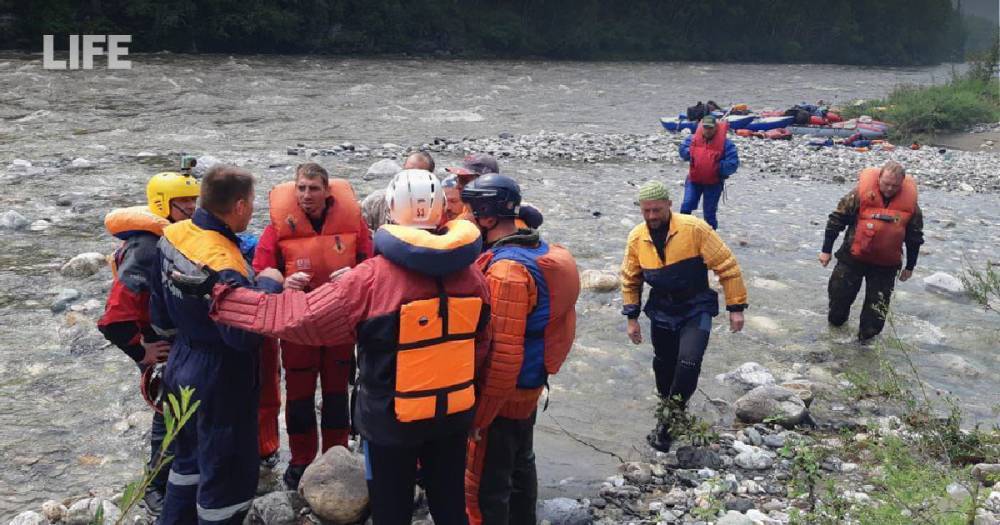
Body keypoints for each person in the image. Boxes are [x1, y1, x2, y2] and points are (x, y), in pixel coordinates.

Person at [172, 169, 491, 525]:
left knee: (391, 510)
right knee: (451, 506)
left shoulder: (372, 278)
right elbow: (482, 347)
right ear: (442, 212)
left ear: (390, 210)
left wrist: (220, 295)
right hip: (452, 414)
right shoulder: (475, 276)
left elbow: (298, 318)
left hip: (392, 422)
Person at [152, 165, 284, 525]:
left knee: (187, 465)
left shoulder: (172, 235)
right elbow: (242, 337)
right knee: (225, 481)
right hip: (222, 378)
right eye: (252, 203)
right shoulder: (225, 260)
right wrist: (270, 285)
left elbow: (159, 314)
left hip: (182, 363)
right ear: (239, 205)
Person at [460, 174, 580, 525]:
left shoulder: (507, 272)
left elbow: (502, 355)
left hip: (505, 394)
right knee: (521, 463)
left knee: (487, 485)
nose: (467, 220)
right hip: (530, 384)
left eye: (471, 213)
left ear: (487, 216)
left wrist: (479, 417)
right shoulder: (537, 249)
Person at [251, 162, 373, 489]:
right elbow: (262, 270)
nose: (306, 195)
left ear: (327, 191)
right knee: (300, 396)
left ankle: (335, 454)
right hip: (298, 326)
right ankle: (301, 459)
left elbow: (373, 267)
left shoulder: (355, 224)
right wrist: (283, 281)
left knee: (335, 394)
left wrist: (355, 276)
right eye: (301, 188)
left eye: (313, 188)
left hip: (339, 324)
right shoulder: (276, 227)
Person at [96, 166, 199, 515]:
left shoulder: (175, 236)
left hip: (179, 342)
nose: (192, 207)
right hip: (161, 346)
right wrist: (141, 351)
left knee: (182, 414)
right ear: (162, 204)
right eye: (184, 201)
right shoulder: (145, 248)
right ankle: (155, 488)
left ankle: (179, 477)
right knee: (167, 417)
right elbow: (113, 319)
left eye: (194, 199)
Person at [621, 181, 747, 452]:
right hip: (662, 309)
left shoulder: (695, 229)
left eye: (657, 210)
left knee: (689, 362)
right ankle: (669, 410)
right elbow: (631, 280)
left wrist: (735, 307)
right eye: (646, 211)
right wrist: (631, 318)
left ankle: (669, 421)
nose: (652, 216)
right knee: (663, 365)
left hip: (696, 306)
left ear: (669, 205)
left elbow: (727, 265)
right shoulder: (637, 238)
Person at [820, 161, 923, 342]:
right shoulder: (859, 194)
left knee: (873, 321)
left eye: (895, 186)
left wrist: (910, 266)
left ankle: (864, 354)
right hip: (852, 258)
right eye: (886, 183)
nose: (890, 188)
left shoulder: (911, 205)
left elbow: (914, 237)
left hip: (886, 266)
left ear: (902, 183)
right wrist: (826, 250)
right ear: (879, 178)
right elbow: (836, 220)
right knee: (837, 310)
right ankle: (833, 345)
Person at [678, 114, 739, 229]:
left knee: (709, 214)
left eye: (710, 127)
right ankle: (682, 233)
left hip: (714, 183)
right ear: (702, 127)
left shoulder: (726, 144)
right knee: (686, 207)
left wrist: (716, 166)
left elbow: (733, 164)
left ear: (716, 128)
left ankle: (711, 240)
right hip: (694, 180)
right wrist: (691, 153)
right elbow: (682, 150)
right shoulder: (692, 139)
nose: (707, 130)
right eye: (705, 127)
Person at [361, 151, 435, 231]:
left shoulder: (436, 205)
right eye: (407, 171)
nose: (409, 177)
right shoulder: (376, 201)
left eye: (418, 175)